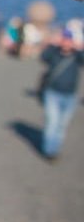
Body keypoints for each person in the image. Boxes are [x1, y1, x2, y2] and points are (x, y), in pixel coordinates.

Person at [39, 29, 84, 160]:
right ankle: (49, 151)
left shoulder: (77, 55)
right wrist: (52, 43)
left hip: (70, 96)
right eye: (64, 39)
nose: (66, 43)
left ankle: (55, 146)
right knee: (53, 121)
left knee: (62, 124)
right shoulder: (54, 52)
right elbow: (43, 57)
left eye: (69, 40)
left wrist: (79, 48)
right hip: (52, 93)